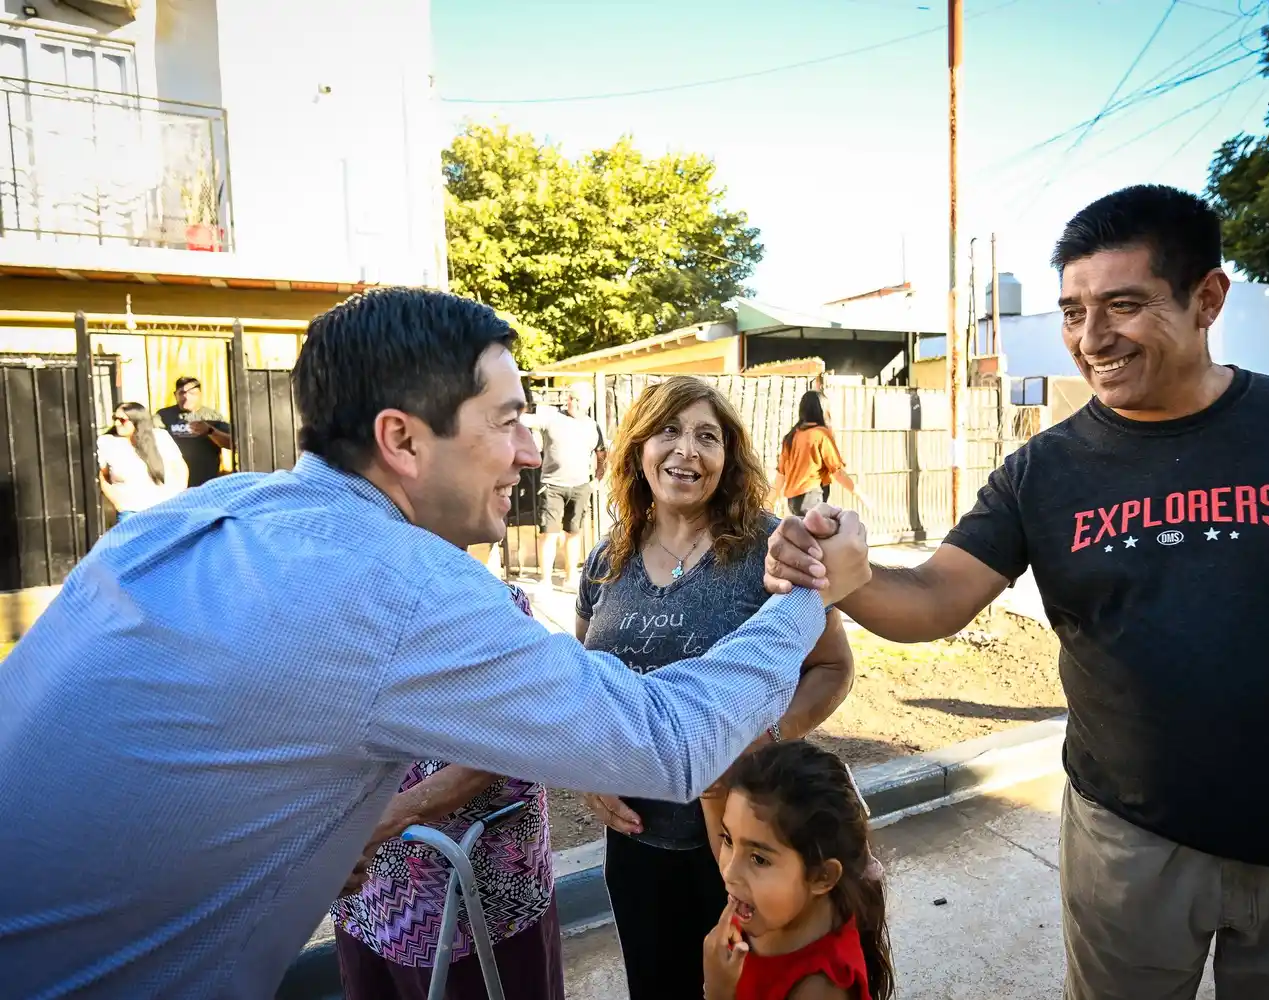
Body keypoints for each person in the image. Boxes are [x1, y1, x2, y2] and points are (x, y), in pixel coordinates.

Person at [0, 287, 872, 999]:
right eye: (507, 420)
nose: (529, 452)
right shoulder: (404, 586)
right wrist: (812, 589)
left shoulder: (185, 519)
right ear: (403, 440)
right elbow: (666, 741)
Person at [765, 185, 1269, 997]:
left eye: (1124, 304)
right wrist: (848, 576)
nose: (1092, 338)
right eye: (1073, 311)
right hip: (1127, 845)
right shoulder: (1043, 471)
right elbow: (937, 596)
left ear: (1207, 299)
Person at [575, 375, 855, 1000]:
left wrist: (767, 736)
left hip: (748, 845)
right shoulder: (606, 559)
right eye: (668, 432)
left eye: (707, 437)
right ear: (639, 448)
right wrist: (587, 767)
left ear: (727, 458)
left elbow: (833, 667)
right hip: (637, 844)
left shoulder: (768, 551)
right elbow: (587, 690)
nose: (686, 451)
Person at [330, 580, 563, 1000]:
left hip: (479, 893)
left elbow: (508, 744)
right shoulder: (333, 616)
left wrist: (386, 817)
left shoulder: (490, 608)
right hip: (365, 894)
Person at [702, 740, 893, 1000]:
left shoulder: (820, 989)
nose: (729, 873)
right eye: (728, 840)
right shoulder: (771, 909)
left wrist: (717, 993)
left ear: (821, 876)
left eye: (759, 859)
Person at [525, 382, 607, 590]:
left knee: (574, 533)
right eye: (571, 398)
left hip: (580, 487)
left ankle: (570, 578)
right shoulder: (551, 418)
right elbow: (525, 419)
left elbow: (601, 454)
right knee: (549, 533)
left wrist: (597, 480)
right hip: (552, 486)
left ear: (587, 403)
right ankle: (545, 581)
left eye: (578, 399)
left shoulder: (592, 426)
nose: (573, 402)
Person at [773, 391, 869, 516]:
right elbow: (837, 472)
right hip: (811, 497)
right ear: (822, 410)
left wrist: (768, 503)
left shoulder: (791, 436)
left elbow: (780, 475)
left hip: (793, 501)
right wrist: (861, 496)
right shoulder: (821, 434)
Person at [98, 401, 189, 523]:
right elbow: (102, 476)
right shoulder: (107, 442)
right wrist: (117, 503)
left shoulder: (160, 437)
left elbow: (179, 467)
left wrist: (180, 494)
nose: (117, 423)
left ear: (137, 420)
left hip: (166, 508)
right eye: (115, 418)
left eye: (122, 420)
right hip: (130, 511)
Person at [156, 374, 234, 486]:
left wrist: (210, 431)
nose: (186, 397)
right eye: (182, 393)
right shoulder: (163, 416)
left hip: (205, 483)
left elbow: (233, 444)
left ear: (200, 395)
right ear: (175, 395)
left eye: (192, 393)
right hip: (174, 482)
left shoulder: (212, 416)